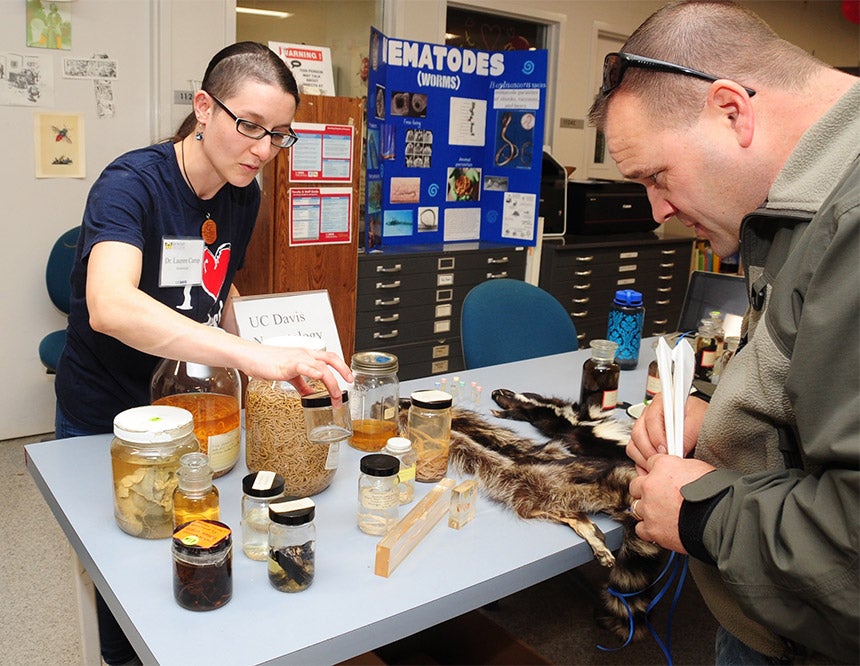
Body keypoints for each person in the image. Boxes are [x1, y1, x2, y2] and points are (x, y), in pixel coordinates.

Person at [54, 42, 353, 666]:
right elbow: (109, 304)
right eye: (249, 126)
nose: (263, 149)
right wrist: (253, 357)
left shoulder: (242, 193)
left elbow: (218, 291)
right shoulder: (131, 184)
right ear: (203, 108)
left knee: (196, 548)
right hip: (112, 413)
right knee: (126, 569)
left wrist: (283, 348)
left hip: (195, 412)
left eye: (279, 134)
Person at [588, 2, 859, 664]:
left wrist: (701, 511)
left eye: (656, 176)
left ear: (732, 111)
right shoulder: (808, 206)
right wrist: (722, 416)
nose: (657, 213)